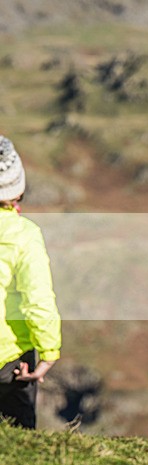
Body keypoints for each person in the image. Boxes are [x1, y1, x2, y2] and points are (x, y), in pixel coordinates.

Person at [0, 135, 62, 429]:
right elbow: (38, 301)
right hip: (10, 360)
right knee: (19, 436)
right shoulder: (25, 236)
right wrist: (48, 353)